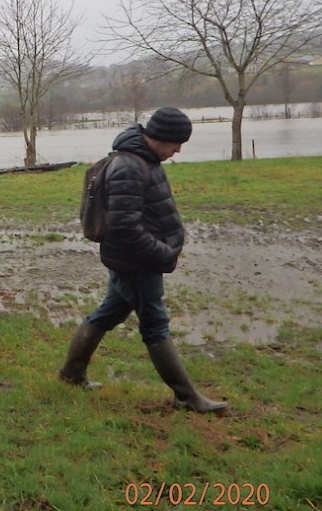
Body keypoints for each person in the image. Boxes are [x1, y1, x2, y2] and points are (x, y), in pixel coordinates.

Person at [57, 107, 227, 413]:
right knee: (155, 325)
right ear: (159, 137)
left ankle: (71, 373)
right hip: (136, 263)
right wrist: (163, 253)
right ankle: (188, 397)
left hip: (135, 261)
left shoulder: (144, 160)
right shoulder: (129, 166)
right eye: (176, 143)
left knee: (109, 312)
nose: (178, 150)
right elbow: (125, 228)